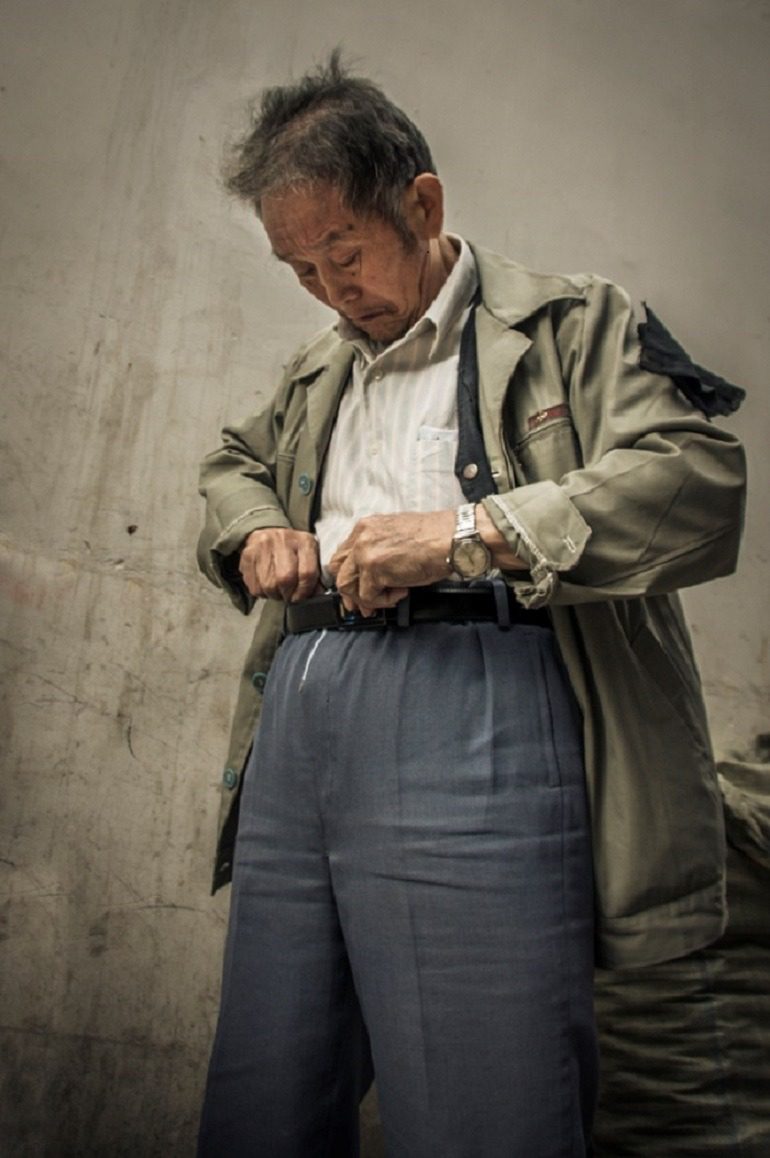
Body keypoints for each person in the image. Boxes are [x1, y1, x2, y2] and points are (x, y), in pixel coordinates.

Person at [195, 52, 746, 1157]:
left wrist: (463, 534)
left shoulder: (576, 326)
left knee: (481, 1087)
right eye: (298, 269)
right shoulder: (320, 369)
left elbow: (695, 481)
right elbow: (232, 460)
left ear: (422, 202)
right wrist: (253, 529)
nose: (327, 289)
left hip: (478, 700)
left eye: (341, 253)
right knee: (270, 1063)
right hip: (304, 704)